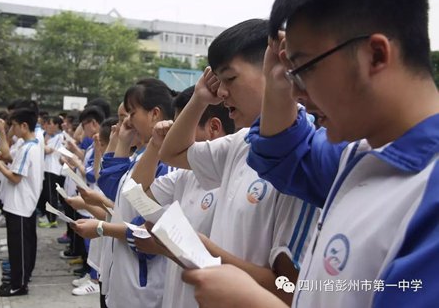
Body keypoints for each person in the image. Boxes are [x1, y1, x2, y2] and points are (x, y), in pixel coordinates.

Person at [185, 0, 439, 307]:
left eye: (305, 68)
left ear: (375, 56)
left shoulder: (427, 190)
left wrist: (254, 301)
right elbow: (283, 153)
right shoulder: (356, 156)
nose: (297, 93)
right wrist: (277, 79)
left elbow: (285, 285)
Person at [159, 19, 319, 305]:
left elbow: (289, 287)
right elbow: (171, 153)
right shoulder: (240, 142)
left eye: (230, 79)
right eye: (217, 82)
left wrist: (212, 255)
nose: (221, 92)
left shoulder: (305, 156)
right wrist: (198, 99)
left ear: (275, 68)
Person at [72, 78, 177, 308]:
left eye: (131, 113)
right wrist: (122, 140)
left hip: (143, 286)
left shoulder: (165, 163)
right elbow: (112, 186)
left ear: (154, 114)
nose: (126, 122)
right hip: (121, 277)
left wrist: (101, 228)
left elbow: (149, 229)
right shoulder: (141, 156)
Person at [130, 86, 234, 308]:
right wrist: (155, 145)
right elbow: (137, 191)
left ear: (214, 128)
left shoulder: (234, 178)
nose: (172, 140)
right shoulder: (185, 175)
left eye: (180, 129)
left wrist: (164, 247)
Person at [0, 108, 43, 297]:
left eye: (13, 125)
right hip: (24, 203)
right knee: (25, 244)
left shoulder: (28, 148)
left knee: (18, 246)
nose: (12, 129)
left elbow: (15, 178)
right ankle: (22, 277)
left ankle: (18, 284)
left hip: (20, 204)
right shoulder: (31, 145)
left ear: (24, 126)